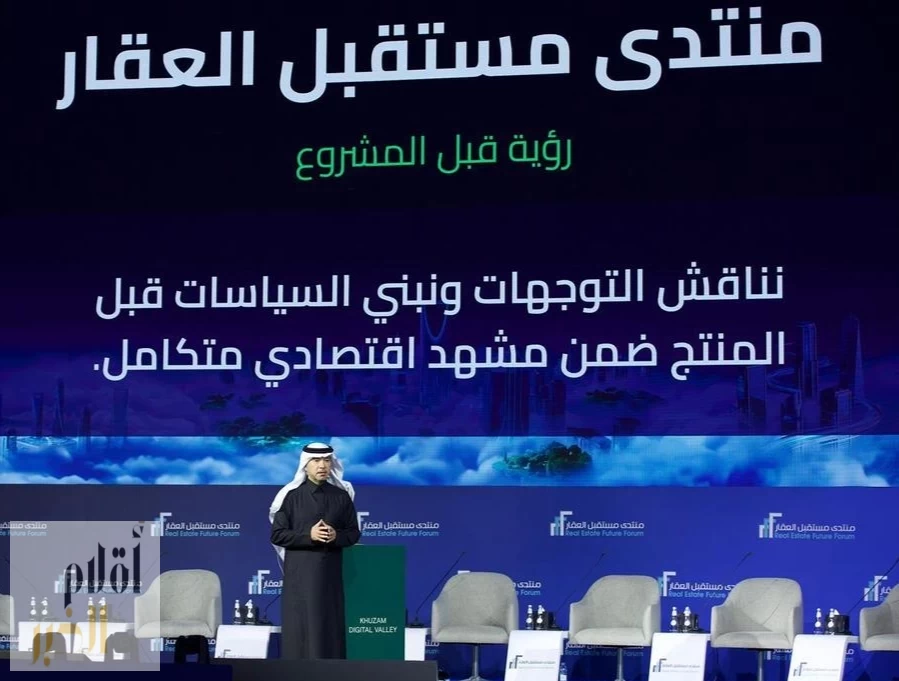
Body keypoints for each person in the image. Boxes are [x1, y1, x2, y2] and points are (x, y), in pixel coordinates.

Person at [269, 442, 361, 660]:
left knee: (329, 627)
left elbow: (353, 533)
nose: (322, 465)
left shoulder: (341, 496)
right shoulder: (290, 496)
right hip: (299, 575)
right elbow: (278, 535)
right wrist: (308, 536)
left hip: (330, 575)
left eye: (327, 460)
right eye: (316, 460)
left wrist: (336, 536)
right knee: (300, 629)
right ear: (305, 465)